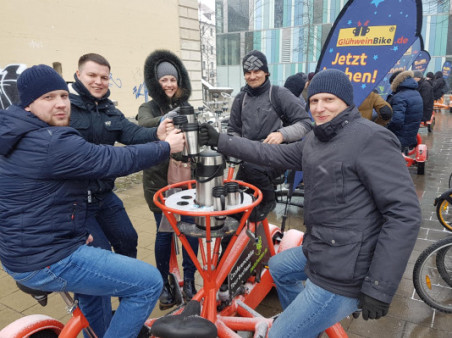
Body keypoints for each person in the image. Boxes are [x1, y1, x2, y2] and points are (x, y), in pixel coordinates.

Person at [199, 69, 421, 337]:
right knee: (279, 268)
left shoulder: (371, 139)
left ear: (346, 102)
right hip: (322, 249)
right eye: (314, 100)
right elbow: (268, 152)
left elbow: (404, 214)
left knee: (278, 334)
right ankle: (305, 328)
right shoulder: (316, 139)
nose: (320, 107)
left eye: (329, 100)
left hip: (345, 272)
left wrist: (379, 287)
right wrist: (221, 140)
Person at [0, 65, 185, 338]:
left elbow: (35, 199)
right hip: (46, 258)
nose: (61, 104)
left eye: (63, 96)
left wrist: (71, 230)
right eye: (49, 98)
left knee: (104, 274)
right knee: (148, 283)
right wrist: (166, 147)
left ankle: (98, 331)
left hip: (25, 251)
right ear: (27, 104)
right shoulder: (50, 140)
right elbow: (113, 160)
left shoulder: (14, 133)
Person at [68, 53, 164, 332]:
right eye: (92, 76)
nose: (99, 81)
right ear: (78, 75)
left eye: (104, 77)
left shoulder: (109, 109)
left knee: (127, 239)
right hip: (76, 203)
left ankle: (127, 308)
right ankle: (97, 328)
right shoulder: (66, 109)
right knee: (97, 265)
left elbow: (132, 134)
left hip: (104, 196)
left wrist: (160, 131)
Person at [137, 49, 198, 309]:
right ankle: (164, 282)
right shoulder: (148, 106)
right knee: (164, 235)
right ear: (156, 82)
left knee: (191, 230)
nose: (170, 84)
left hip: (186, 180)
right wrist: (168, 119)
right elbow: (143, 125)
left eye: (173, 80)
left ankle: (190, 278)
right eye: (164, 80)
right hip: (159, 182)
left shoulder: (187, 107)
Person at [228, 50, 312, 221]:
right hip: (249, 156)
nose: (252, 76)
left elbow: (305, 123)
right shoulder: (240, 99)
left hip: (276, 154)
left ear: (266, 72)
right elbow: (232, 130)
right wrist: (239, 144)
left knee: (252, 170)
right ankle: (238, 240)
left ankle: (268, 202)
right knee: (234, 202)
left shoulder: (279, 94)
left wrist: (282, 134)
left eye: (257, 71)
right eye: (248, 72)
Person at [386, 70, 423, 151]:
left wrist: (386, 128)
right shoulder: (416, 93)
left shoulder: (400, 97)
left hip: (399, 136)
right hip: (410, 134)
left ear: (395, 82)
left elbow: (397, 121)